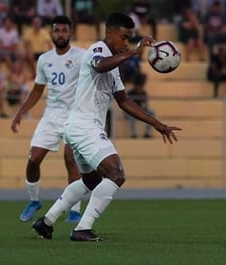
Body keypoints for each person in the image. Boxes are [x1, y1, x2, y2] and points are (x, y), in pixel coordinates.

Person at [31, 12, 181, 241]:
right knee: (116, 174)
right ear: (110, 33)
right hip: (84, 127)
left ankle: (47, 221)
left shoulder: (114, 65)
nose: (126, 43)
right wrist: (134, 51)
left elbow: (125, 101)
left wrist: (157, 124)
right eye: (123, 37)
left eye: (129, 39)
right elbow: (99, 66)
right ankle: (82, 228)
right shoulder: (97, 50)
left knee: (92, 181)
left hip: (78, 127)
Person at [11, 16, 85, 223]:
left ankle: (75, 209)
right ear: (51, 33)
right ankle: (34, 200)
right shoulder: (44, 59)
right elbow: (36, 90)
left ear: (70, 33)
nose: (60, 34)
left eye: (64, 30)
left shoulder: (82, 56)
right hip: (51, 115)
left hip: (74, 115)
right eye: (57, 30)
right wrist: (20, 112)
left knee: (71, 160)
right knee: (33, 159)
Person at [125, 74, 155, 138]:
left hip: (140, 110)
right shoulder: (130, 93)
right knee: (131, 115)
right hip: (130, 111)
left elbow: (146, 105)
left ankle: (147, 133)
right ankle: (133, 134)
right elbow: (127, 105)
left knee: (152, 113)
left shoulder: (143, 93)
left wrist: (144, 109)